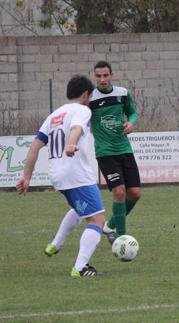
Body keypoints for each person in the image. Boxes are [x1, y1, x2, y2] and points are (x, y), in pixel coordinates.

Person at [16, 75, 105, 277]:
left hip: (59, 176)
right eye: (89, 97)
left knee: (79, 209)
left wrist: (26, 177)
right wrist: (72, 143)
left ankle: (55, 244)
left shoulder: (53, 116)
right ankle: (81, 268)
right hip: (76, 174)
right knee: (97, 220)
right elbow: (76, 128)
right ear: (85, 95)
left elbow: (34, 147)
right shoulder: (82, 110)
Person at [89, 61, 142, 243]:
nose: (102, 79)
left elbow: (132, 113)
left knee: (134, 193)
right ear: (94, 76)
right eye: (98, 76)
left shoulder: (122, 93)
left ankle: (110, 225)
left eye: (105, 75)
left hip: (124, 149)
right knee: (119, 191)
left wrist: (131, 122)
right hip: (105, 152)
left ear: (111, 75)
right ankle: (121, 238)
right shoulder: (90, 99)